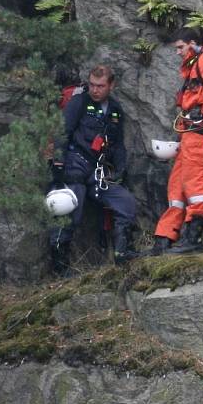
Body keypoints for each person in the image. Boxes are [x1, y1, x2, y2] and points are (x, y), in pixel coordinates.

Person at [49, 64, 138, 274]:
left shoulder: (115, 110)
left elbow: (117, 146)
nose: (95, 90)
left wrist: (120, 170)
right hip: (75, 165)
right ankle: (60, 265)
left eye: (100, 86)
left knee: (125, 202)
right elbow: (62, 132)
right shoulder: (79, 102)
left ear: (111, 85)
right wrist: (59, 167)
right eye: (92, 85)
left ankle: (122, 253)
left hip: (99, 171)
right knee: (69, 209)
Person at [146, 28, 203, 255]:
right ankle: (164, 239)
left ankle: (193, 239)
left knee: (195, 185)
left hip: (199, 134)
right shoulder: (193, 64)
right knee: (176, 188)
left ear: (193, 43)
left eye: (181, 47)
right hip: (189, 133)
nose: (178, 52)